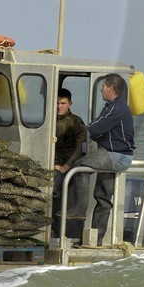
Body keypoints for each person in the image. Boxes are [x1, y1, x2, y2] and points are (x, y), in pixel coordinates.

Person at [68, 73, 137, 244]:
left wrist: (76, 129)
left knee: (79, 167)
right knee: (103, 198)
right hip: (119, 155)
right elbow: (99, 130)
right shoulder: (115, 106)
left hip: (115, 155)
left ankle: (79, 210)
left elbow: (96, 128)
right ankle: (96, 241)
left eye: (103, 86)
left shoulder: (116, 107)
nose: (101, 90)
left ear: (111, 88)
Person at [52, 88, 87, 232]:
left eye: (63, 103)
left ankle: (55, 228)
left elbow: (80, 148)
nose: (59, 106)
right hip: (51, 163)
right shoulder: (49, 120)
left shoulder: (75, 122)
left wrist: (65, 166)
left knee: (53, 187)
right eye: (57, 103)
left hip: (66, 165)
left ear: (70, 104)